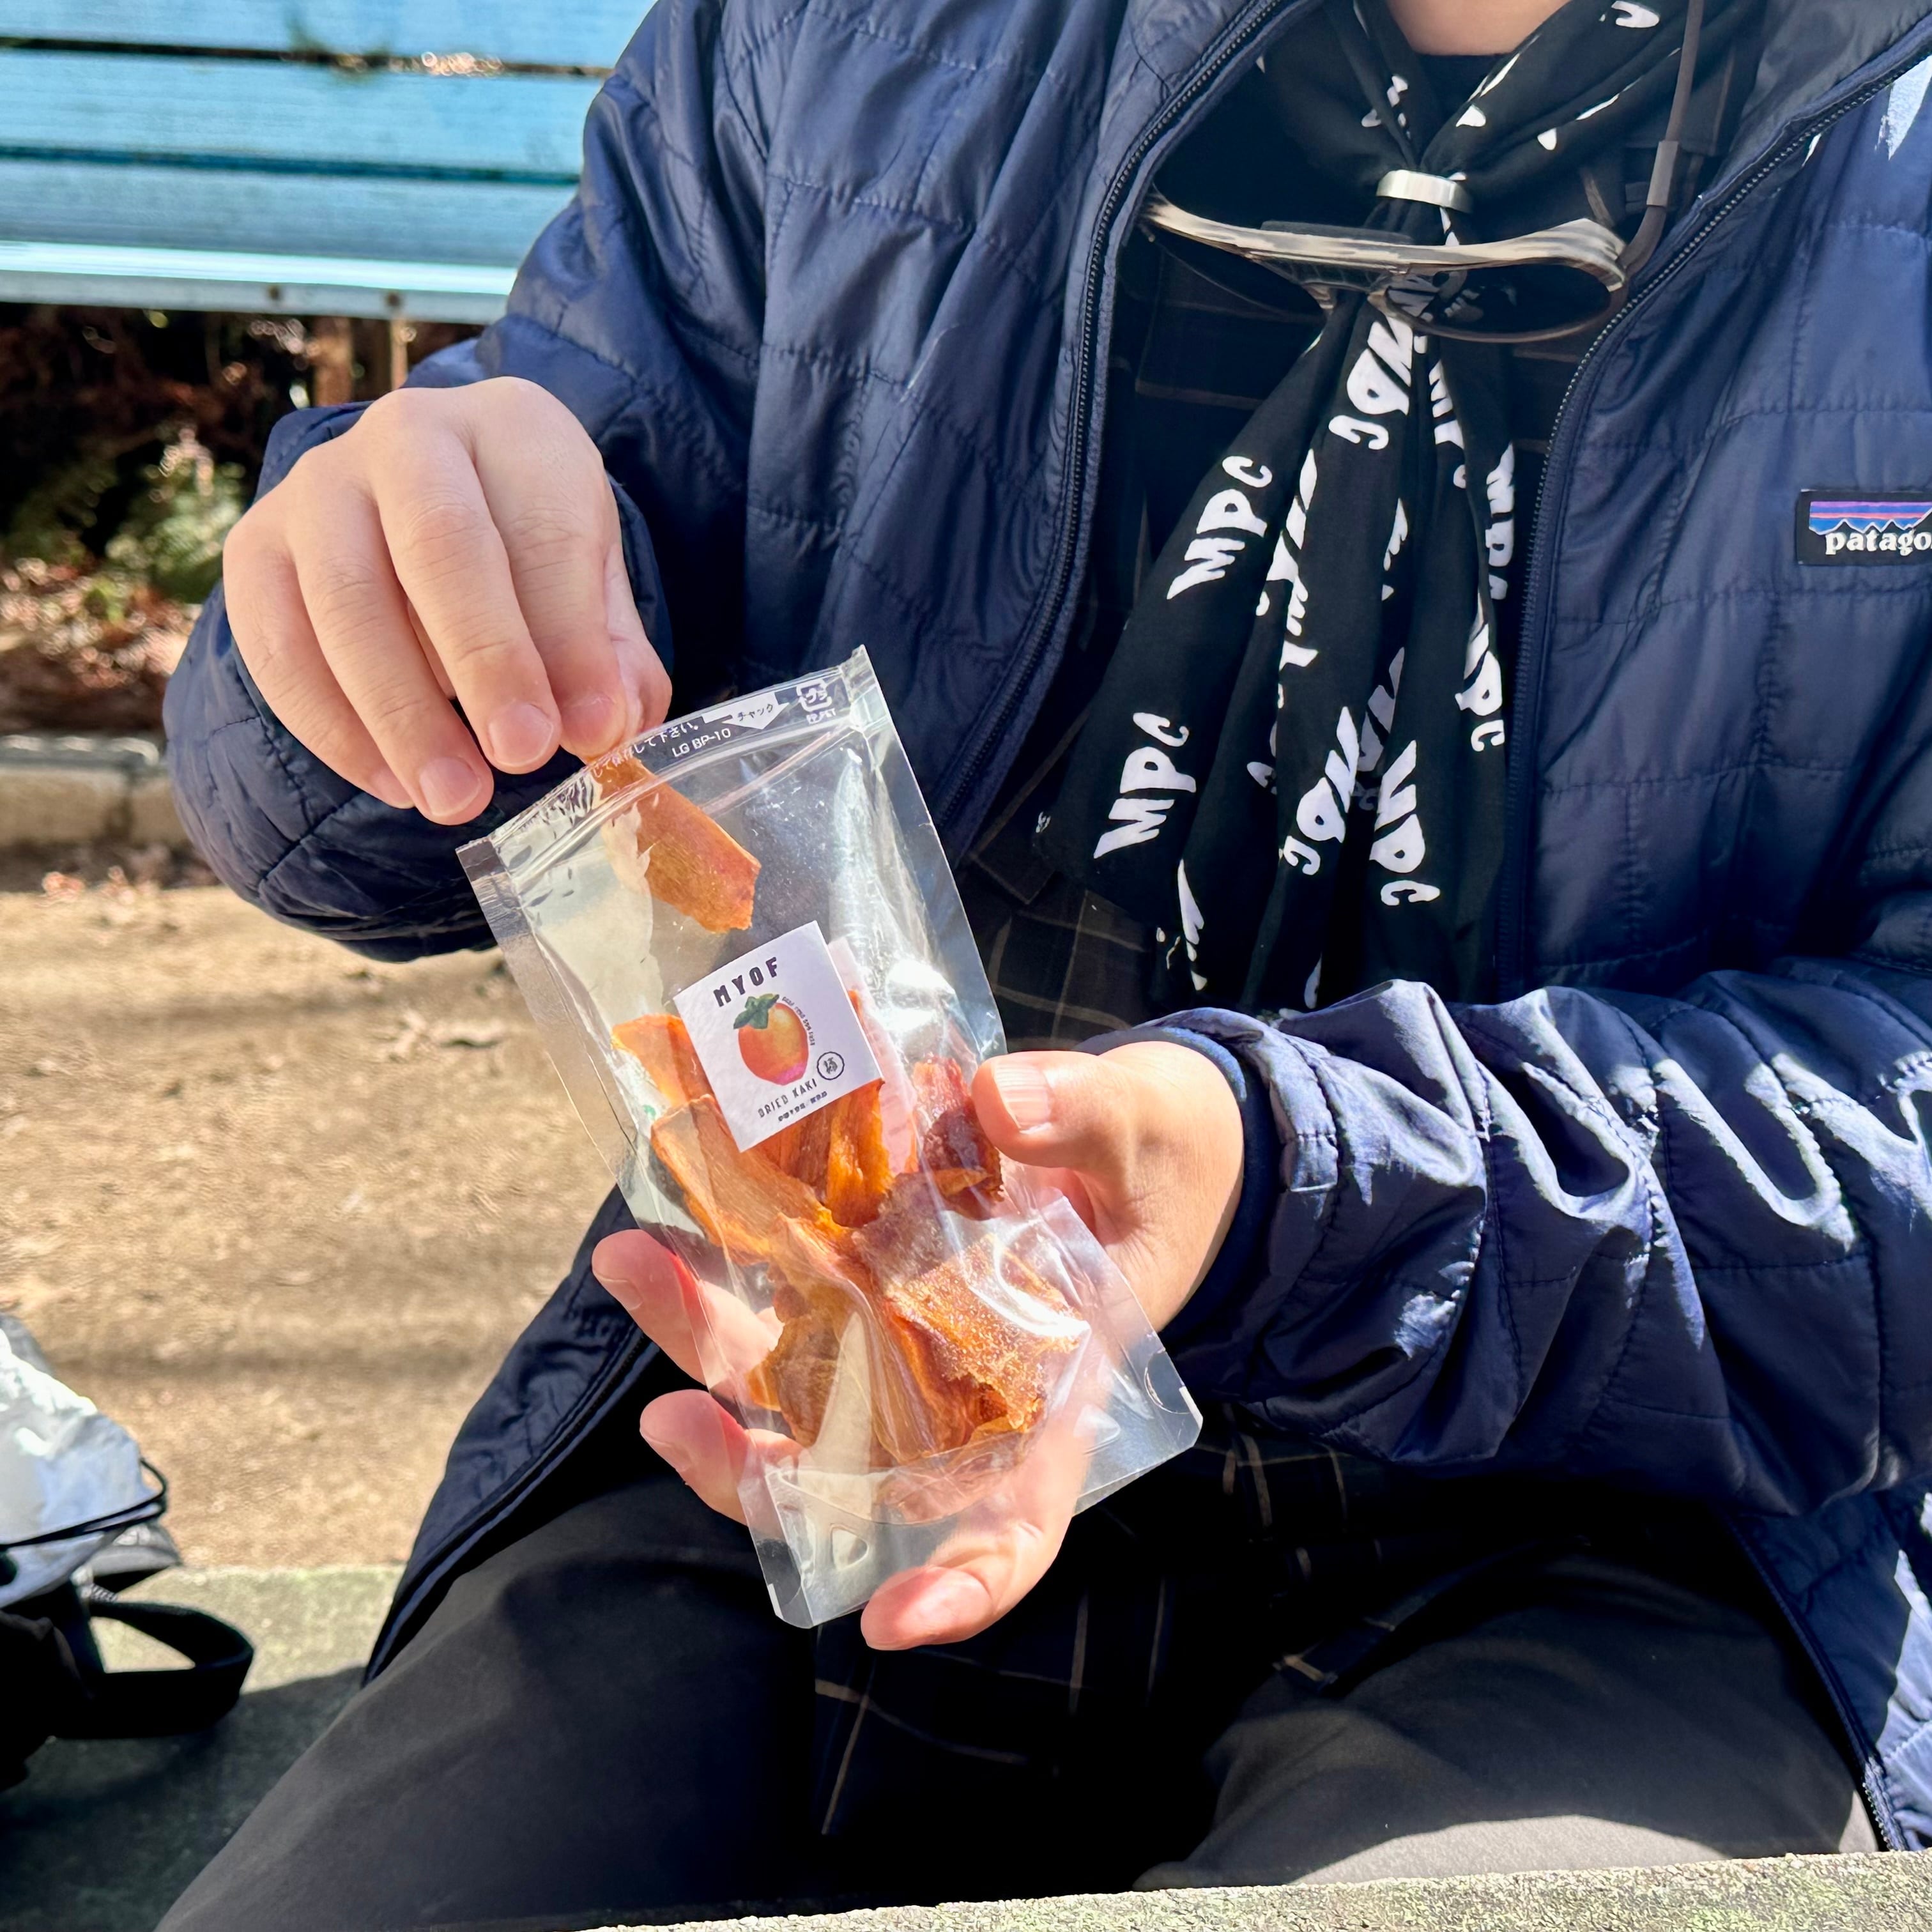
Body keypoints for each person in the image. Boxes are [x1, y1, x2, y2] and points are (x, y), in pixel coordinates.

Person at [156, 0, 1932, 1925]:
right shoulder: (839, 38)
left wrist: (1283, 1183)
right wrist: (367, 624)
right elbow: (390, 785)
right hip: (816, 1434)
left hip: (1637, 1519)